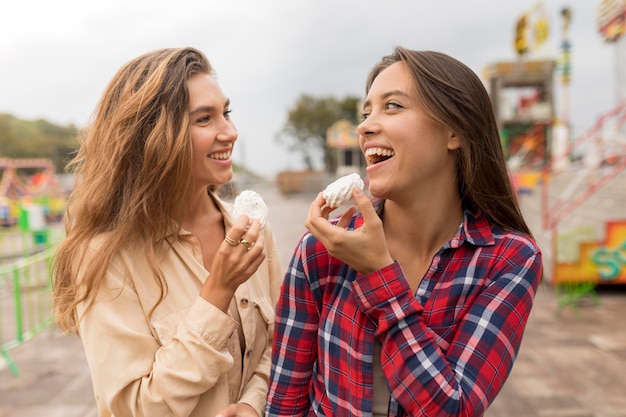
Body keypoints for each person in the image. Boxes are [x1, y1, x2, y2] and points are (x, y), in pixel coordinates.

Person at [266, 47, 543, 417]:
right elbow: (284, 401)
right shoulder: (321, 250)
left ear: (454, 132)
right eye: (366, 113)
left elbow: (452, 408)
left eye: (392, 106)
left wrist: (380, 275)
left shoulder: (510, 260)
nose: (365, 127)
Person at [52, 47, 282, 417]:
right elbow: (133, 407)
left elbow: (278, 343)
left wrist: (252, 404)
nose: (231, 132)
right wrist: (217, 294)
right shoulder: (104, 257)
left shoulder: (253, 230)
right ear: (154, 137)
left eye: (227, 113)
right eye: (205, 119)